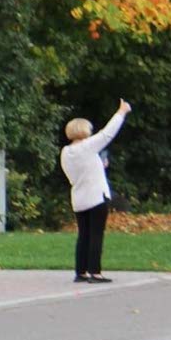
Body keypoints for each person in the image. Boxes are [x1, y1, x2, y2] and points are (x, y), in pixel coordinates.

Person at [59, 99, 131, 283]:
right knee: (96, 234)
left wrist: (101, 165)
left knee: (83, 235)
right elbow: (107, 134)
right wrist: (121, 112)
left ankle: (80, 271)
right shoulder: (88, 146)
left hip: (79, 198)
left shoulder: (66, 152)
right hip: (96, 198)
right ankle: (95, 272)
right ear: (84, 131)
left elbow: (80, 171)